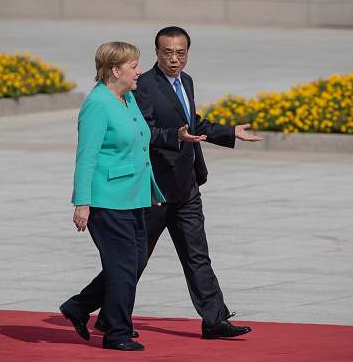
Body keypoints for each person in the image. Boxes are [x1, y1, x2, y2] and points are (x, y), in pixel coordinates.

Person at [96, 26, 263, 339]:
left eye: (180, 53)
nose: (174, 59)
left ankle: (214, 320)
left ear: (188, 53)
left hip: (187, 186)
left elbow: (192, 124)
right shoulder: (143, 85)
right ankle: (103, 314)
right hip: (154, 189)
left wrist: (229, 132)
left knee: (198, 255)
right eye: (167, 52)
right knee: (134, 258)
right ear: (156, 53)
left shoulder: (186, 81)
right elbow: (140, 131)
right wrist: (175, 137)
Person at [59, 41, 165, 352]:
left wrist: (150, 189)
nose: (139, 71)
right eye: (134, 66)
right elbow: (87, 156)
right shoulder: (98, 103)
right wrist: (82, 202)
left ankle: (79, 306)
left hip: (134, 198)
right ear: (115, 70)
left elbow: (138, 149)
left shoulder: (127, 98)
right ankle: (117, 331)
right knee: (122, 266)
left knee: (135, 262)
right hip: (106, 200)